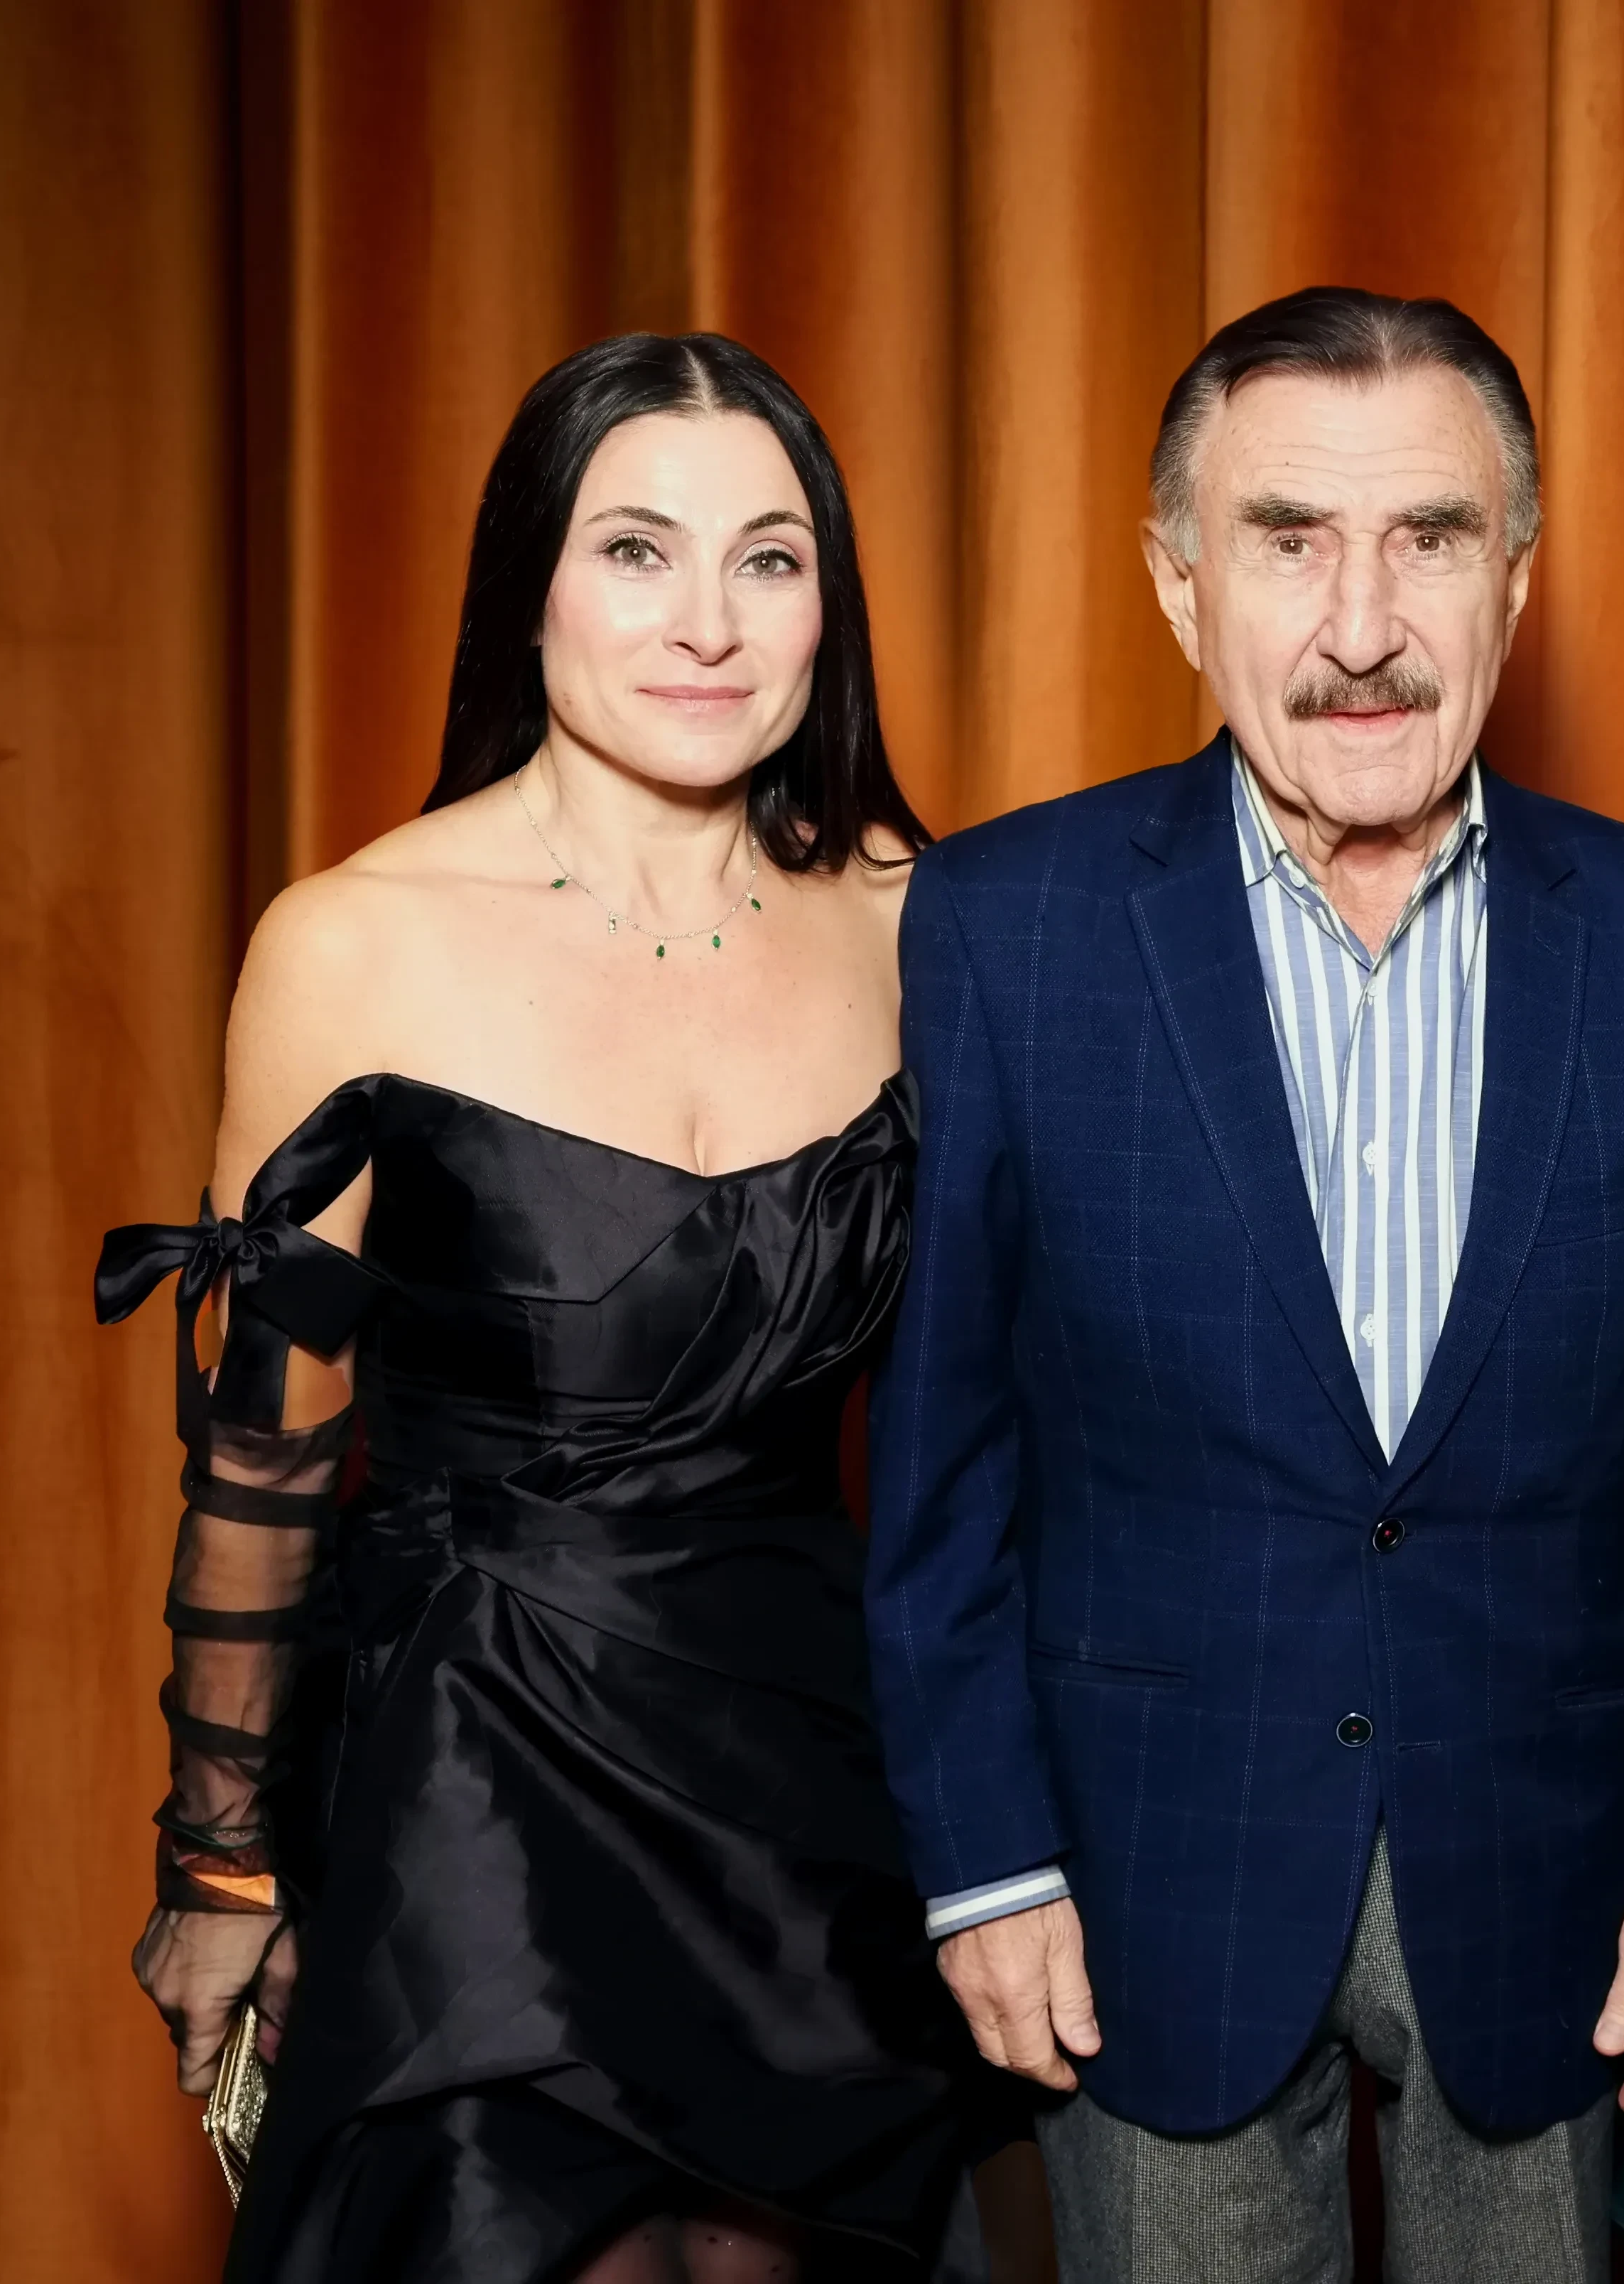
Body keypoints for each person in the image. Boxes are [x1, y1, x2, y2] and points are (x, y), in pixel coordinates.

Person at [864, 286, 1624, 2283]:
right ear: (1180, 587)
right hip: (1141, 1874)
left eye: (1430, 539)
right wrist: (984, 1862)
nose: (1362, 624)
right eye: (1288, 539)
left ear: (1515, 583)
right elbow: (942, 1458)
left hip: (1548, 1874)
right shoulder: (1007, 923)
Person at [94, 333, 1027, 2283]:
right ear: (529, 583)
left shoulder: (924, 920)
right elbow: (265, 1467)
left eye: (768, 559)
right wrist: (221, 1860)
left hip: (820, 1793)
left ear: (829, 607)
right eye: (635, 549)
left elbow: (1026, 1412)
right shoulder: (355, 942)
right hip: (476, 1775)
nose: (707, 622)